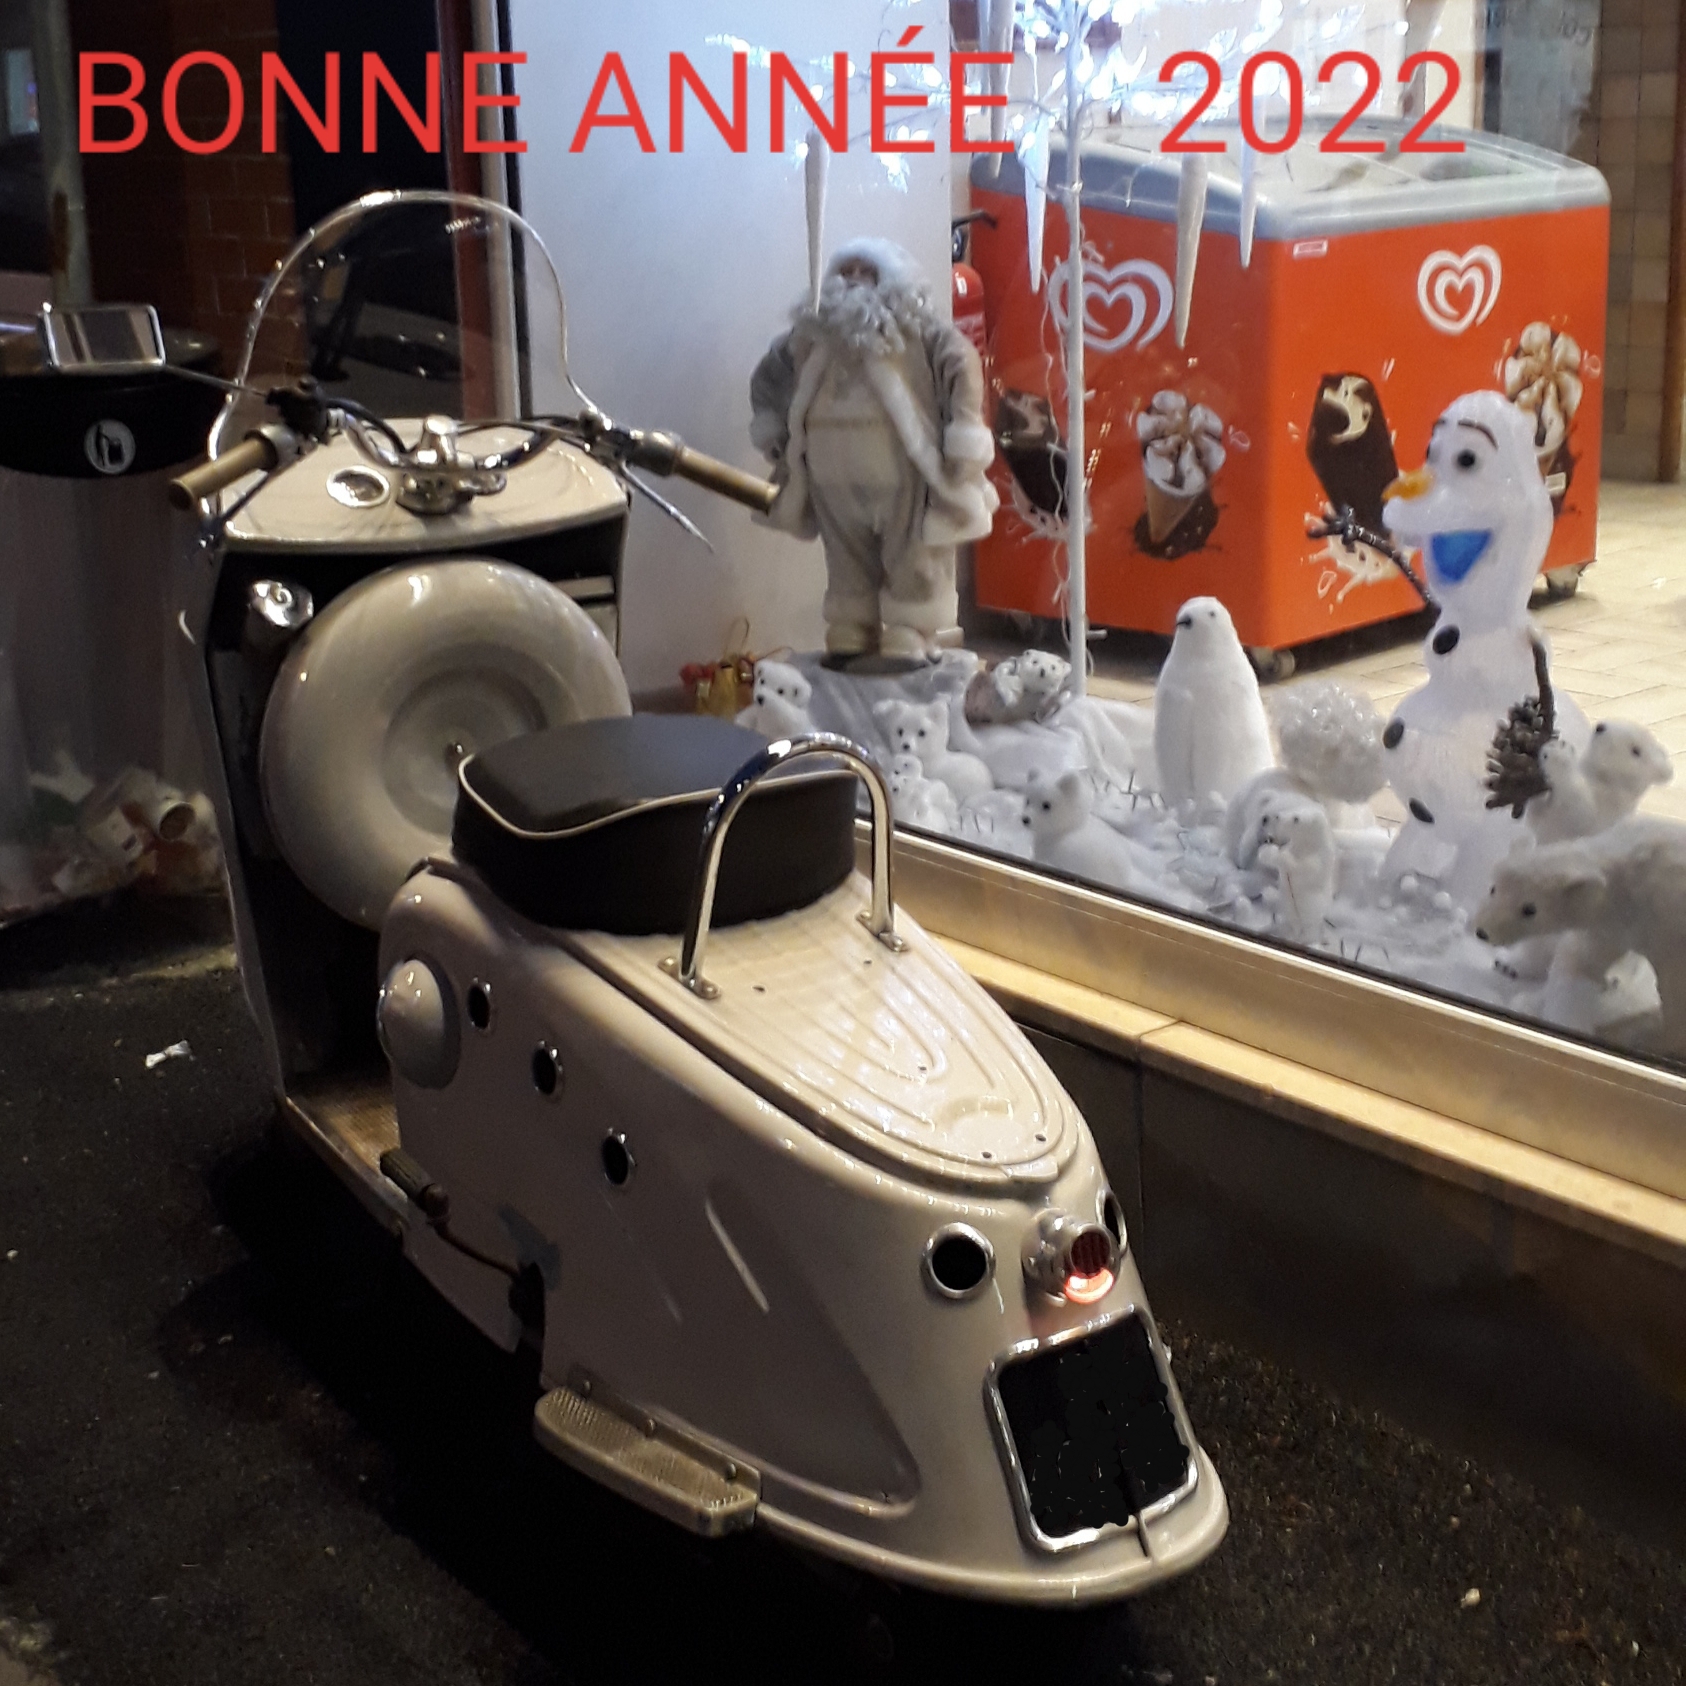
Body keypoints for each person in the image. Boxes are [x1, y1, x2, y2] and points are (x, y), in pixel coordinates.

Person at [749, 238, 998, 661]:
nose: (854, 281)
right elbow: (767, 378)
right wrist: (773, 430)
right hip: (831, 476)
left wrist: (964, 436)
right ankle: (851, 624)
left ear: (893, 280)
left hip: (903, 471)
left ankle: (910, 627)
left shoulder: (921, 334)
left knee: (912, 549)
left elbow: (963, 369)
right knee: (844, 551)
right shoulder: (810, 337)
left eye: (867, 272)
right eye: (846, 272)